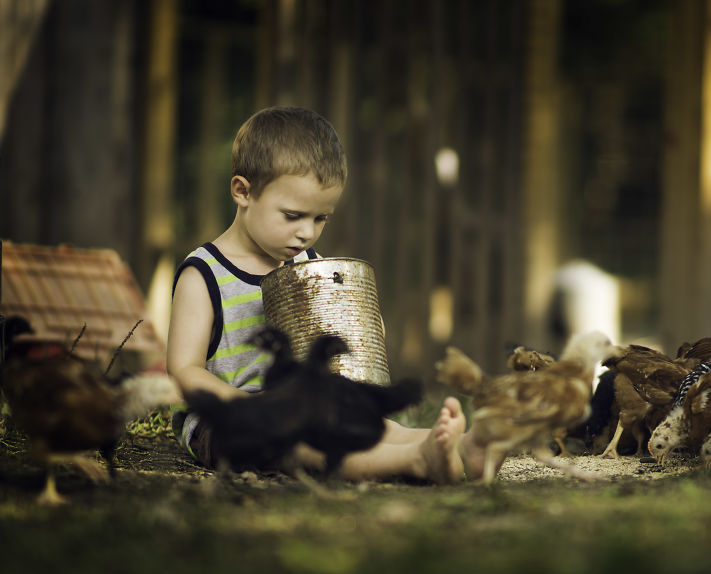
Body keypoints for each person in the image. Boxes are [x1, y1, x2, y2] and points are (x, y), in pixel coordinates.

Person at [166, 106, 491, 484]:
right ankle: (415, 462)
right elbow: (183, 368)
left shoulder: (310, 268)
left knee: (374, 425)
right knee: (293, 443)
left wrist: (363, 326)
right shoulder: (204, 273)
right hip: (227, 421)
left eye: (321, 218)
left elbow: (352, 336)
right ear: (243, 192)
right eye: (293, 216)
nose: (307, 233)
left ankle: (466, 449)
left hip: (304, 405)